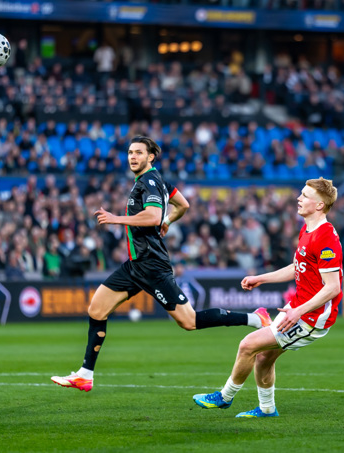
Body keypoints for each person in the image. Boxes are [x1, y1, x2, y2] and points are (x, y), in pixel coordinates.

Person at [51, 136, 271, 392]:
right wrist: (168, 221)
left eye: (138, 153)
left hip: (152, 265)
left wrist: (117, 219)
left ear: (150, 157)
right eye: (130, 153)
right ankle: (85, 375)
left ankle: (255, 319)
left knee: (189, 321)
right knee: (96, 310)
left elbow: (153, 216)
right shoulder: (158, 181)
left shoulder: (150, 181)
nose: (133, 157)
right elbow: (183, 205)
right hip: (135, 265)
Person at [192, 177, 342, 418]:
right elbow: (298, 267)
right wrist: (261, 278)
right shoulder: (307, 229)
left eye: (305, 196)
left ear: (319, 205)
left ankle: (224, 397)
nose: (299, 198)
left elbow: (333, 287)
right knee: (263, 357)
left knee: (248, 345)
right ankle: (267, 409)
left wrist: (298, 311)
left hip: (311, 318)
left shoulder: (325, 237)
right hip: (298, 308)